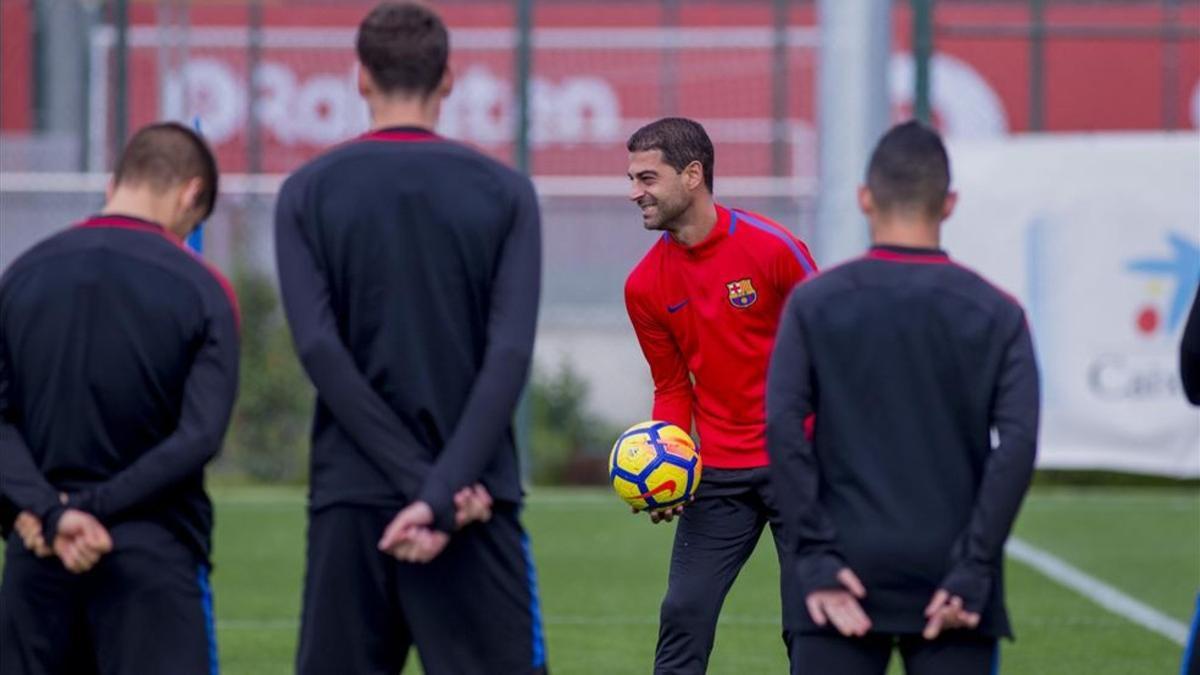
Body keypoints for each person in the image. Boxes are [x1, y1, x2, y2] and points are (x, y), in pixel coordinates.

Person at [274, 3, 546, 673]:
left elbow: (318, 350)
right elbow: (508, 356)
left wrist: (419, 484)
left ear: (359, 77)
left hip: (356, 501)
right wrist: (440, 490)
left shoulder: (306, 191)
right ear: (448, 78)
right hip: (472, 499)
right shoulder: (507, 192)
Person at [765, 120, 1039, 675]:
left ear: (865, 197)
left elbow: (782, 427)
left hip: (837, 575)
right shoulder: (997, 312)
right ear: (950, 202)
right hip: (951, 578)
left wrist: (815, 558)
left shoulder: (814, 303)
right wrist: (974, 568)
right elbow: (1017, 444)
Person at [0, 121, 238, 675]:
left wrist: (50, 512)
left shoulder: (21, 276)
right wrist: (90, 511)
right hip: (150, 560)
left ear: (114, 183)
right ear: (191, 194)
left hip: (38, 552)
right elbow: (199, 436)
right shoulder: (202, 288)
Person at [623, 117, 819, 673]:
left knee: (807, 622)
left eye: (647, 177)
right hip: (717, 473)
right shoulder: (643, 285)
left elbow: (830, 347)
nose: (634, 192)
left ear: (692, 175)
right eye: (632, 178)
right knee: (684, 612)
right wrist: (671, 462)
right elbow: (670, 386)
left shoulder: (775, 249)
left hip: (798, 462)